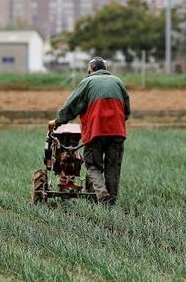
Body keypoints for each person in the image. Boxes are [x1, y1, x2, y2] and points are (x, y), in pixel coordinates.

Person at [49, 57, 130, 204]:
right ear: (105, 69)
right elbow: (127, 109)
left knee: (93, 165)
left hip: (95, 132)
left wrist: (58, 120)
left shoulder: (87, 82)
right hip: (117, 132)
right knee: (113, 167)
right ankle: (111, 201)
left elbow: (71, 106)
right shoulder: (118, 81)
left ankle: (102, 193)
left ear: (90, 70)